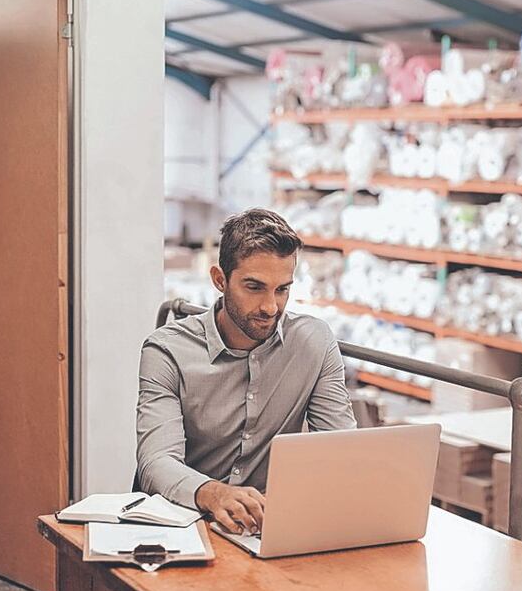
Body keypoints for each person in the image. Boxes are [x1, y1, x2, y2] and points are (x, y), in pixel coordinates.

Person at [136, 208, 357, 534]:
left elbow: (342, 450)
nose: (270, 307)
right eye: (254, 287)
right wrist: (213, 493)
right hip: (186, 525)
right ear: (220, 280)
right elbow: (156, 463)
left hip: (265, 527)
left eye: (282, 289)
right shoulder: (167, 350)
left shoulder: (314, 342)